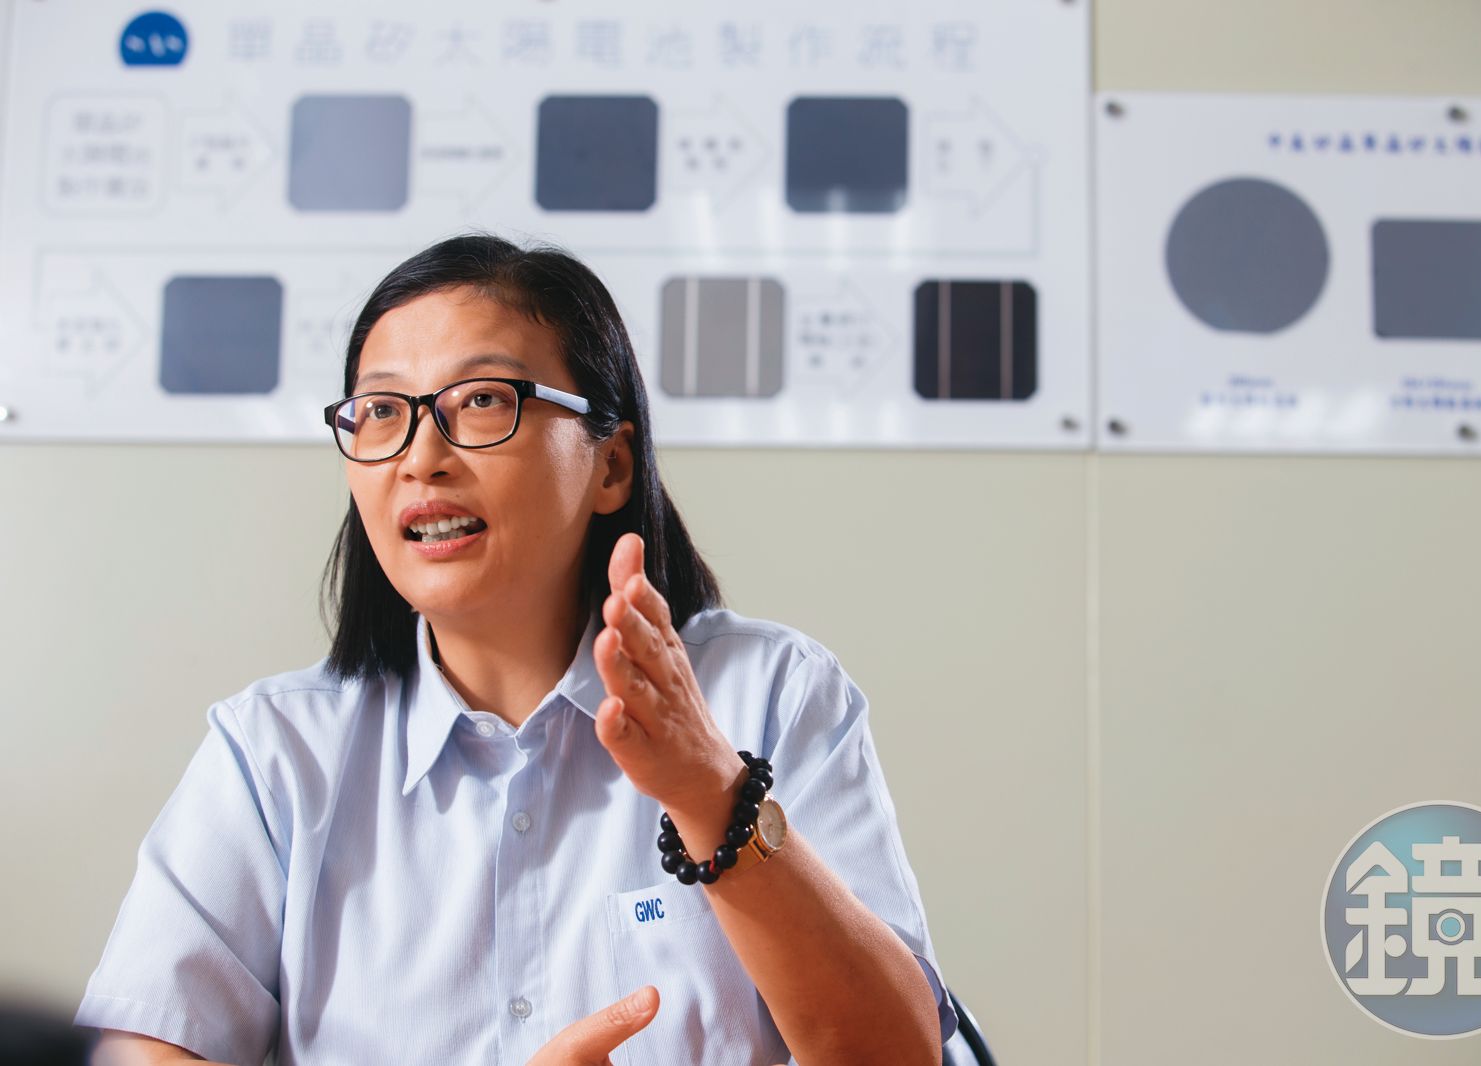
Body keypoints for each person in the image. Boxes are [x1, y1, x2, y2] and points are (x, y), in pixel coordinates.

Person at [74, 234, 956, 1065]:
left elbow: (899, 1050)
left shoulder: (773, 694)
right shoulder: (274, 755)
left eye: (482, 401)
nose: (421, 456)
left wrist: (710, 792)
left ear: (611, 464)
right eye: (381, 411)